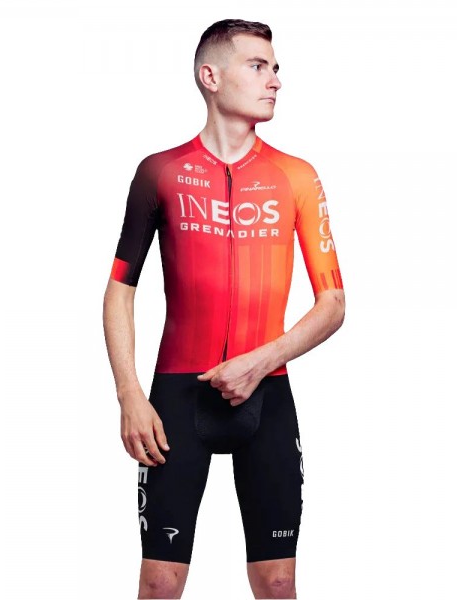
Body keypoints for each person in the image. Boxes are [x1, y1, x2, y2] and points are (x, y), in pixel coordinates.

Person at [103, 18, 345, 599]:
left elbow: (333, 302)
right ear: (210, 77)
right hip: (175, 399)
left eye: (275, 68)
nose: (275, 80)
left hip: (268, 396)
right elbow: (119, 288)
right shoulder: (159, 171)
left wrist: (260, 362)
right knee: (160, 583)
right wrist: (130, 394)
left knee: (278, 583)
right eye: (258, 66)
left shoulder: (296, 176)